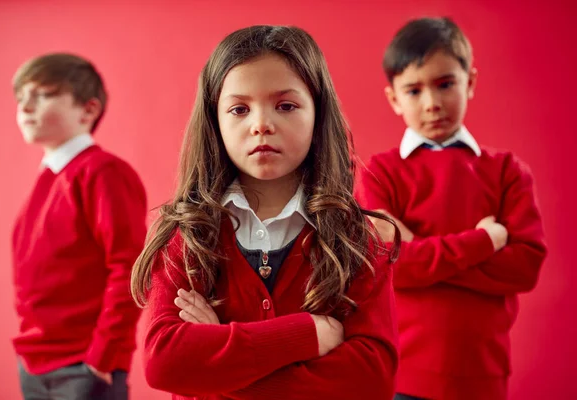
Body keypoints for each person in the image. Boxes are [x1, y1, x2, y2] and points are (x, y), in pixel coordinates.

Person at [131, 25, 400, 400]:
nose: (261, 125)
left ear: (317, 114)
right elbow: (165, 363)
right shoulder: (185, 232)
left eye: (286, 106)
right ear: (215, 121)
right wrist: (306, 334)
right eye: (239, 109)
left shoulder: (356, 238)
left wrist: (216, 362)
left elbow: (372, 380)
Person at [356, 17, 548, 400]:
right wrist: (484, 240)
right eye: (414, 90)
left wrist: (421, 251)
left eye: (445, 84)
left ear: (470, 82)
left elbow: (525, 267)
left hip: (484, 372)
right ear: (394, 98)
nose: (432, 103)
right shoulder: (380, 173)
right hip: (402, 373)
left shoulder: (507, 171)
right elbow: (392, 265)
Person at [12, 53, 147, 399]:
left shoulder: (102, 172)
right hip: (36, 360)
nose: (25, 106)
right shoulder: (48, 179)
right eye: (21, 97)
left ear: (87, 110)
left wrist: (104, 353)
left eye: (42, 95)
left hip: (82, 364)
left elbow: (127, 266)